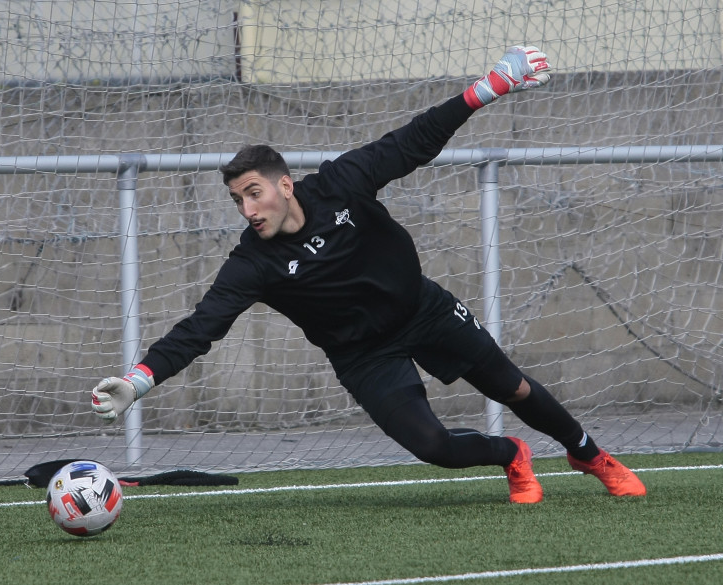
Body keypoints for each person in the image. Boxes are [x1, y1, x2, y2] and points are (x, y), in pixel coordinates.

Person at [91, 46, 647, 503]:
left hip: (422, 310)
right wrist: (139, 381)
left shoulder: (340, 184)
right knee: (433, 446)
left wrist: (489, 88)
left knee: (514, 386)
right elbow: (201, 327)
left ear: (285, 185)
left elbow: (411, 142)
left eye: (253, 194)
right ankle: (512, 455)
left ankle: (588, 453)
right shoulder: (251, 263)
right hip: (363, 356)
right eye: (238, 201)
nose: (248, 210)